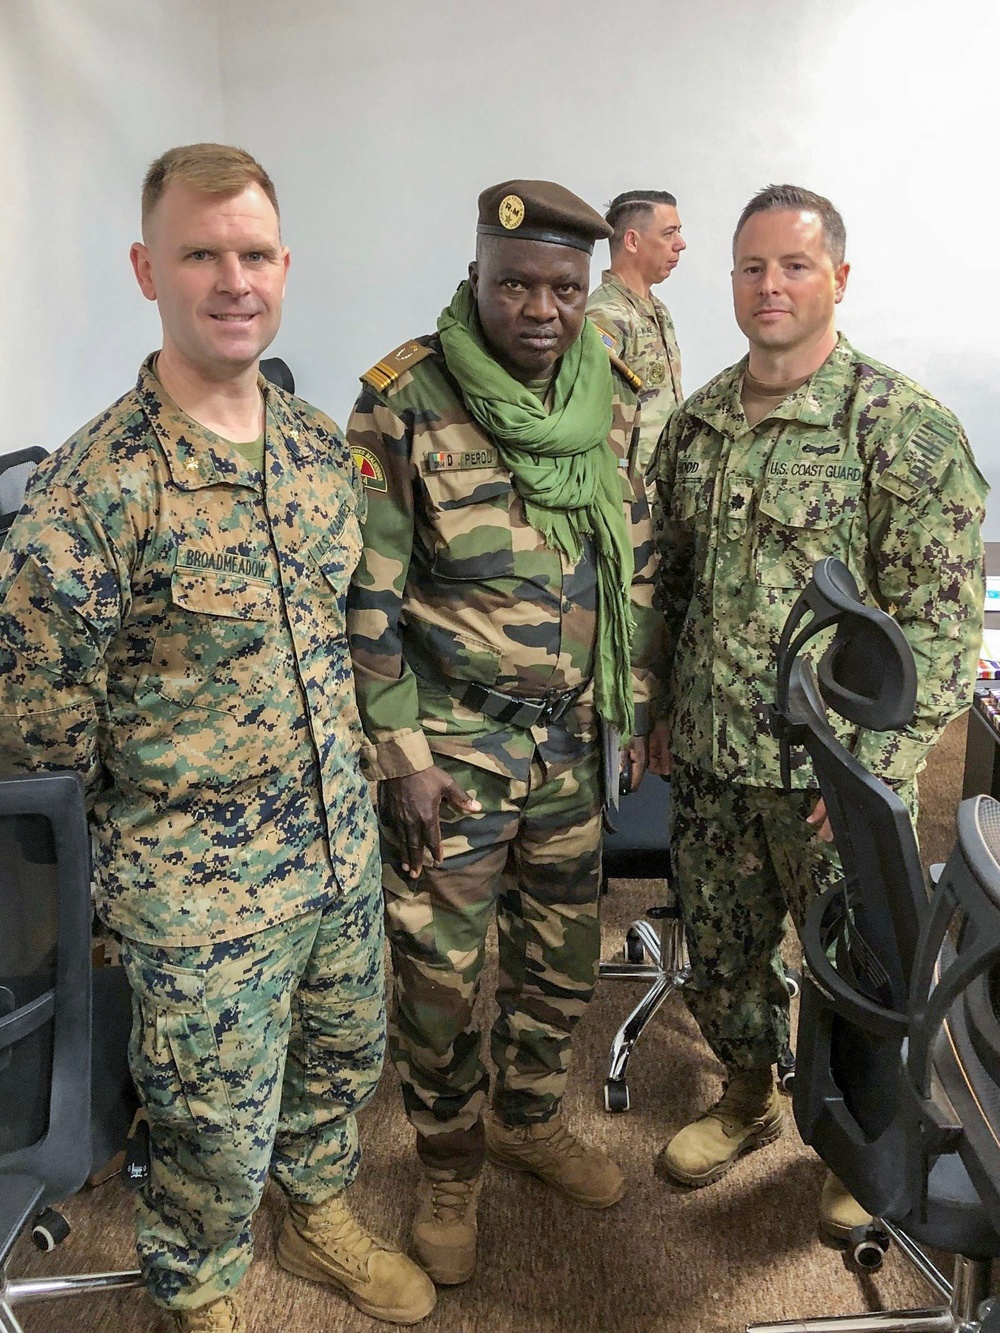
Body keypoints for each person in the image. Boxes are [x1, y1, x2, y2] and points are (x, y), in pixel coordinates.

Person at [0, 144, 435, 1332]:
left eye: (253, 255)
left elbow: (346, 638)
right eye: (201, 254)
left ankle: (317, 1212)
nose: (233, 282)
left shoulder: (315, 448)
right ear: (148, 270)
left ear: (285, 266)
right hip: (197, 894)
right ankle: (197, 1288)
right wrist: (106, 902)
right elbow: (36, 735)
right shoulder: (94, 491)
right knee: (209, 1124)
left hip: (335, 852)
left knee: (340, 1064)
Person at [649, 183, 987, 1239]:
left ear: (838, 277)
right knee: (724, 950)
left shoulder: (901, 430)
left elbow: (939, 632)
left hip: (830, 777)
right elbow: (674, 587)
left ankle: (865, 1134)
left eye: (794, 265)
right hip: (712, 759)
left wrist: (871, 768)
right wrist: (657, 707)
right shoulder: (698, 424)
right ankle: (747, 1094)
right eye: (752, 267)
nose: (771, 285)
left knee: (858, 966)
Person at [346, 179, 661, 1288]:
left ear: (587, 287)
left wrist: (632, 701)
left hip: (571, 738)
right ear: (475, 274)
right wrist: (402, 759)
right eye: (513, 283)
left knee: (560, 960)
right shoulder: (405, 400)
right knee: (439, 977)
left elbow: (630, 559)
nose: (539, 309)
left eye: (563, 288)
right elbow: (369, 602)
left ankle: (528, 1119)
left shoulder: (609, 394)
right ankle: (448, 1166)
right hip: (454, 746)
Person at [586, 189, 686, 479]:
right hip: (630, 490)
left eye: (679, 232)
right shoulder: (607, 316)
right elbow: (590, 415)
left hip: (662, 484)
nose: (680, 244)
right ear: (632, 241)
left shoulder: (657, 310)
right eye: (669, 233)